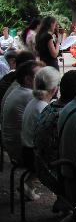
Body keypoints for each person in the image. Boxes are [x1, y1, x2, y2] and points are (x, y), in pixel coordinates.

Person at [33, 70, 76, 208]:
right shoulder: (70, 114)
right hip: (54, 172)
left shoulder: (51, 106)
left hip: (40, 165)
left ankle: (64, 199)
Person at [2, 60, 44, 199]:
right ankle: (31, 184)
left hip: (11, 144)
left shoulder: (19, 90)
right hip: (20, 150)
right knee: (58, 149)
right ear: (28, 79)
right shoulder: (29, 95)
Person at [20, 66, 60, 200]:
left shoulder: (34, 102)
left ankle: (29, 184)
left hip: (26, 149)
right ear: (55, 89)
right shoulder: (44, 107)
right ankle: (63, 197)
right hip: (32, 155)